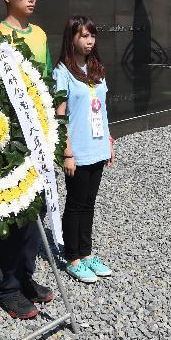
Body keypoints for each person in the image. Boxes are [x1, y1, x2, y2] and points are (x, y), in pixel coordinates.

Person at [0, 0, 55, 319]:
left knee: (37, 211)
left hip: (39, 138)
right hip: (11, 141)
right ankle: (8, 287)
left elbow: (44, 84)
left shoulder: (40, 35)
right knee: (13, 214)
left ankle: (26, 277)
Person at [53, 15, 115, 283]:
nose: (89, 41)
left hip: (97, 147)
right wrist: (66, 152)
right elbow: (60, 115)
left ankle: (87, 253)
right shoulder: (62, 72)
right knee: (75, 204)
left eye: (92, 35)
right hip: (76, 151)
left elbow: (102, 111)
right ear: (72, 39)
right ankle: (73, 258)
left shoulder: (97, 69)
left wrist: (109, 142)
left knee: (89, 204)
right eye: (83, 36)